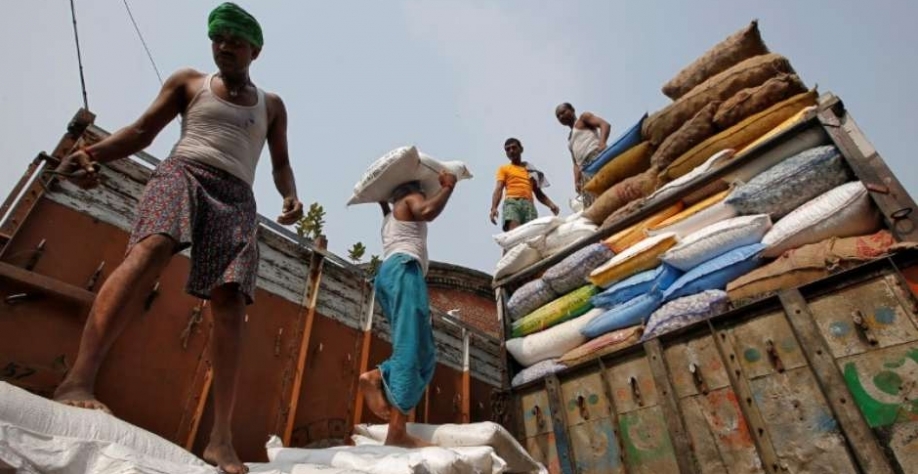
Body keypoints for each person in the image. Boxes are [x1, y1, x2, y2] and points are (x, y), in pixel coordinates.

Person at [51, 3, 302, 472]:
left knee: (229, 300)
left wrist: (290, 195)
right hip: (182, 173)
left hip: (237, 197)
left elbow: (281, 163)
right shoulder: (188, 82)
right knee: (150, 250)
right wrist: (91, 154)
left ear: (256, 50)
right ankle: (77, 381)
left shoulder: (272, 105)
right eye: (219, 37)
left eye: (235, 39)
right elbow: (143, 131)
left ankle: (220, 440)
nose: (225, 45)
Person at [358, 171, 458, 448]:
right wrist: (448, 187)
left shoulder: (389, 216)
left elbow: (390, 208)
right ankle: (396, 427)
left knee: (424, 352)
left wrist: (380, 198)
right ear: (413, 188)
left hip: (389, 275)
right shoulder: (412, 198)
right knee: (411, 347)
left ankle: (381, 392)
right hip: (404, 271)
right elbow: (427, 211)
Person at [489, 138, 560, 231]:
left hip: (529, 205)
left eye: (514, 148)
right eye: (508, 149)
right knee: (515, 233)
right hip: (512, 203)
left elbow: (538, 193)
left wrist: (551, 205)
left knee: (531, 235)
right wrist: (494, 208)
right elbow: (499, 188)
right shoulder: (504, 169)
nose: (511, 151)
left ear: (521, 149)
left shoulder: (529, 170)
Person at [555, 103, 612, 194]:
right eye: (558, 116)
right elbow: (575, 164)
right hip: (584, 170)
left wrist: (602, 142)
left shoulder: (583, 118)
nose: (561, 116)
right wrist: (576, 181)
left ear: (572, 110)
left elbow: (604, 125)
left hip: (596, 156)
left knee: (609, 187)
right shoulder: (570, 139)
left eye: (563, 112)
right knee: (594, 198)